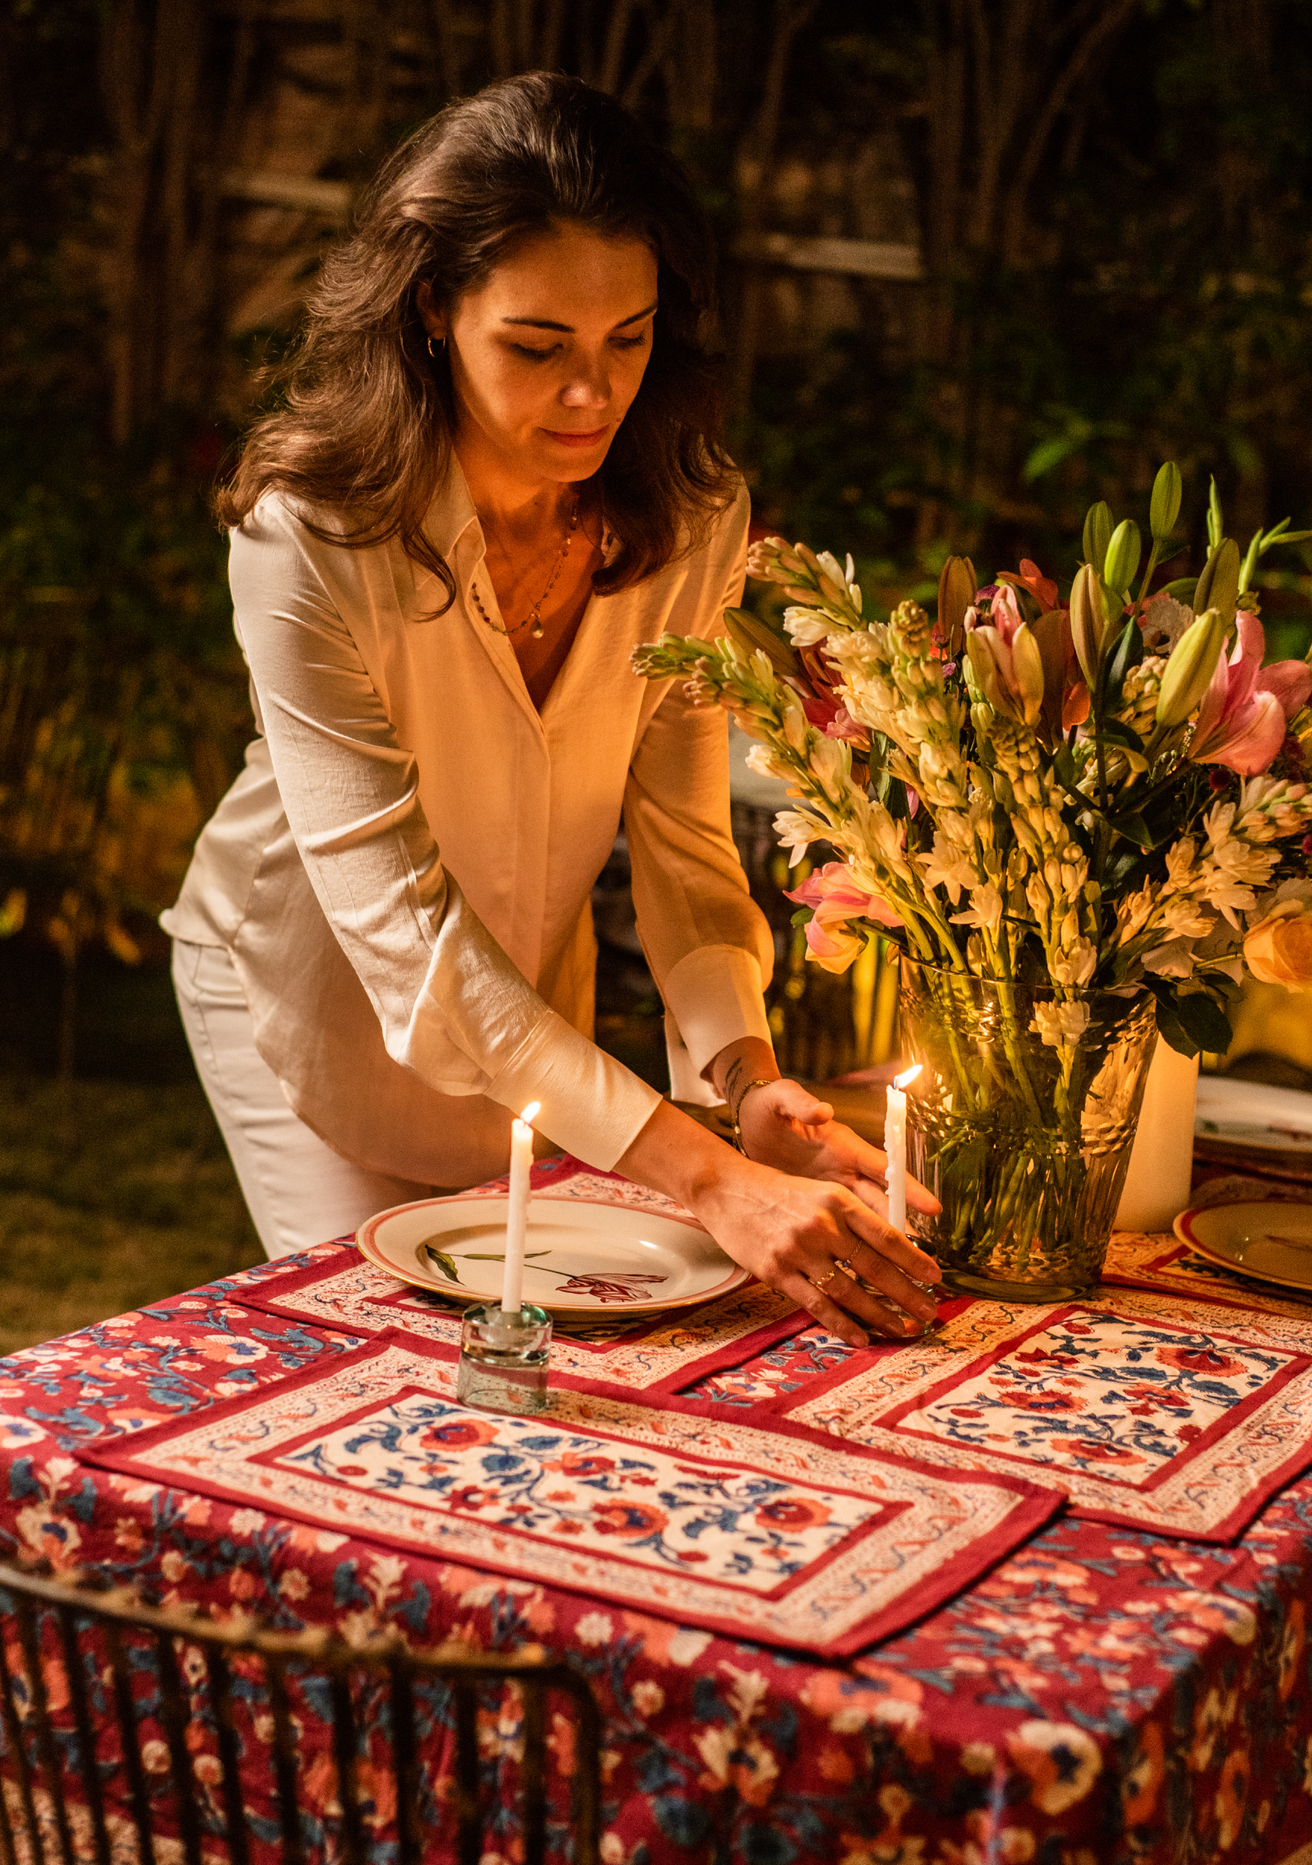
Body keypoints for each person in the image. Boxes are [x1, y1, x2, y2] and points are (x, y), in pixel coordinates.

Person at [162, 71, 939, 1348]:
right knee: (396, 1345)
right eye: (537, 347)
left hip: (526, 1010)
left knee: (539, 1341)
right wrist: (702, 1175)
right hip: (306, 991)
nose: (593, 394)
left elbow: (684, 845)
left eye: (627, 339)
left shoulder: (688, 517)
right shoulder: (309, 536)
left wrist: (744, 1079)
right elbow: (406, 932)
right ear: (432, 309)